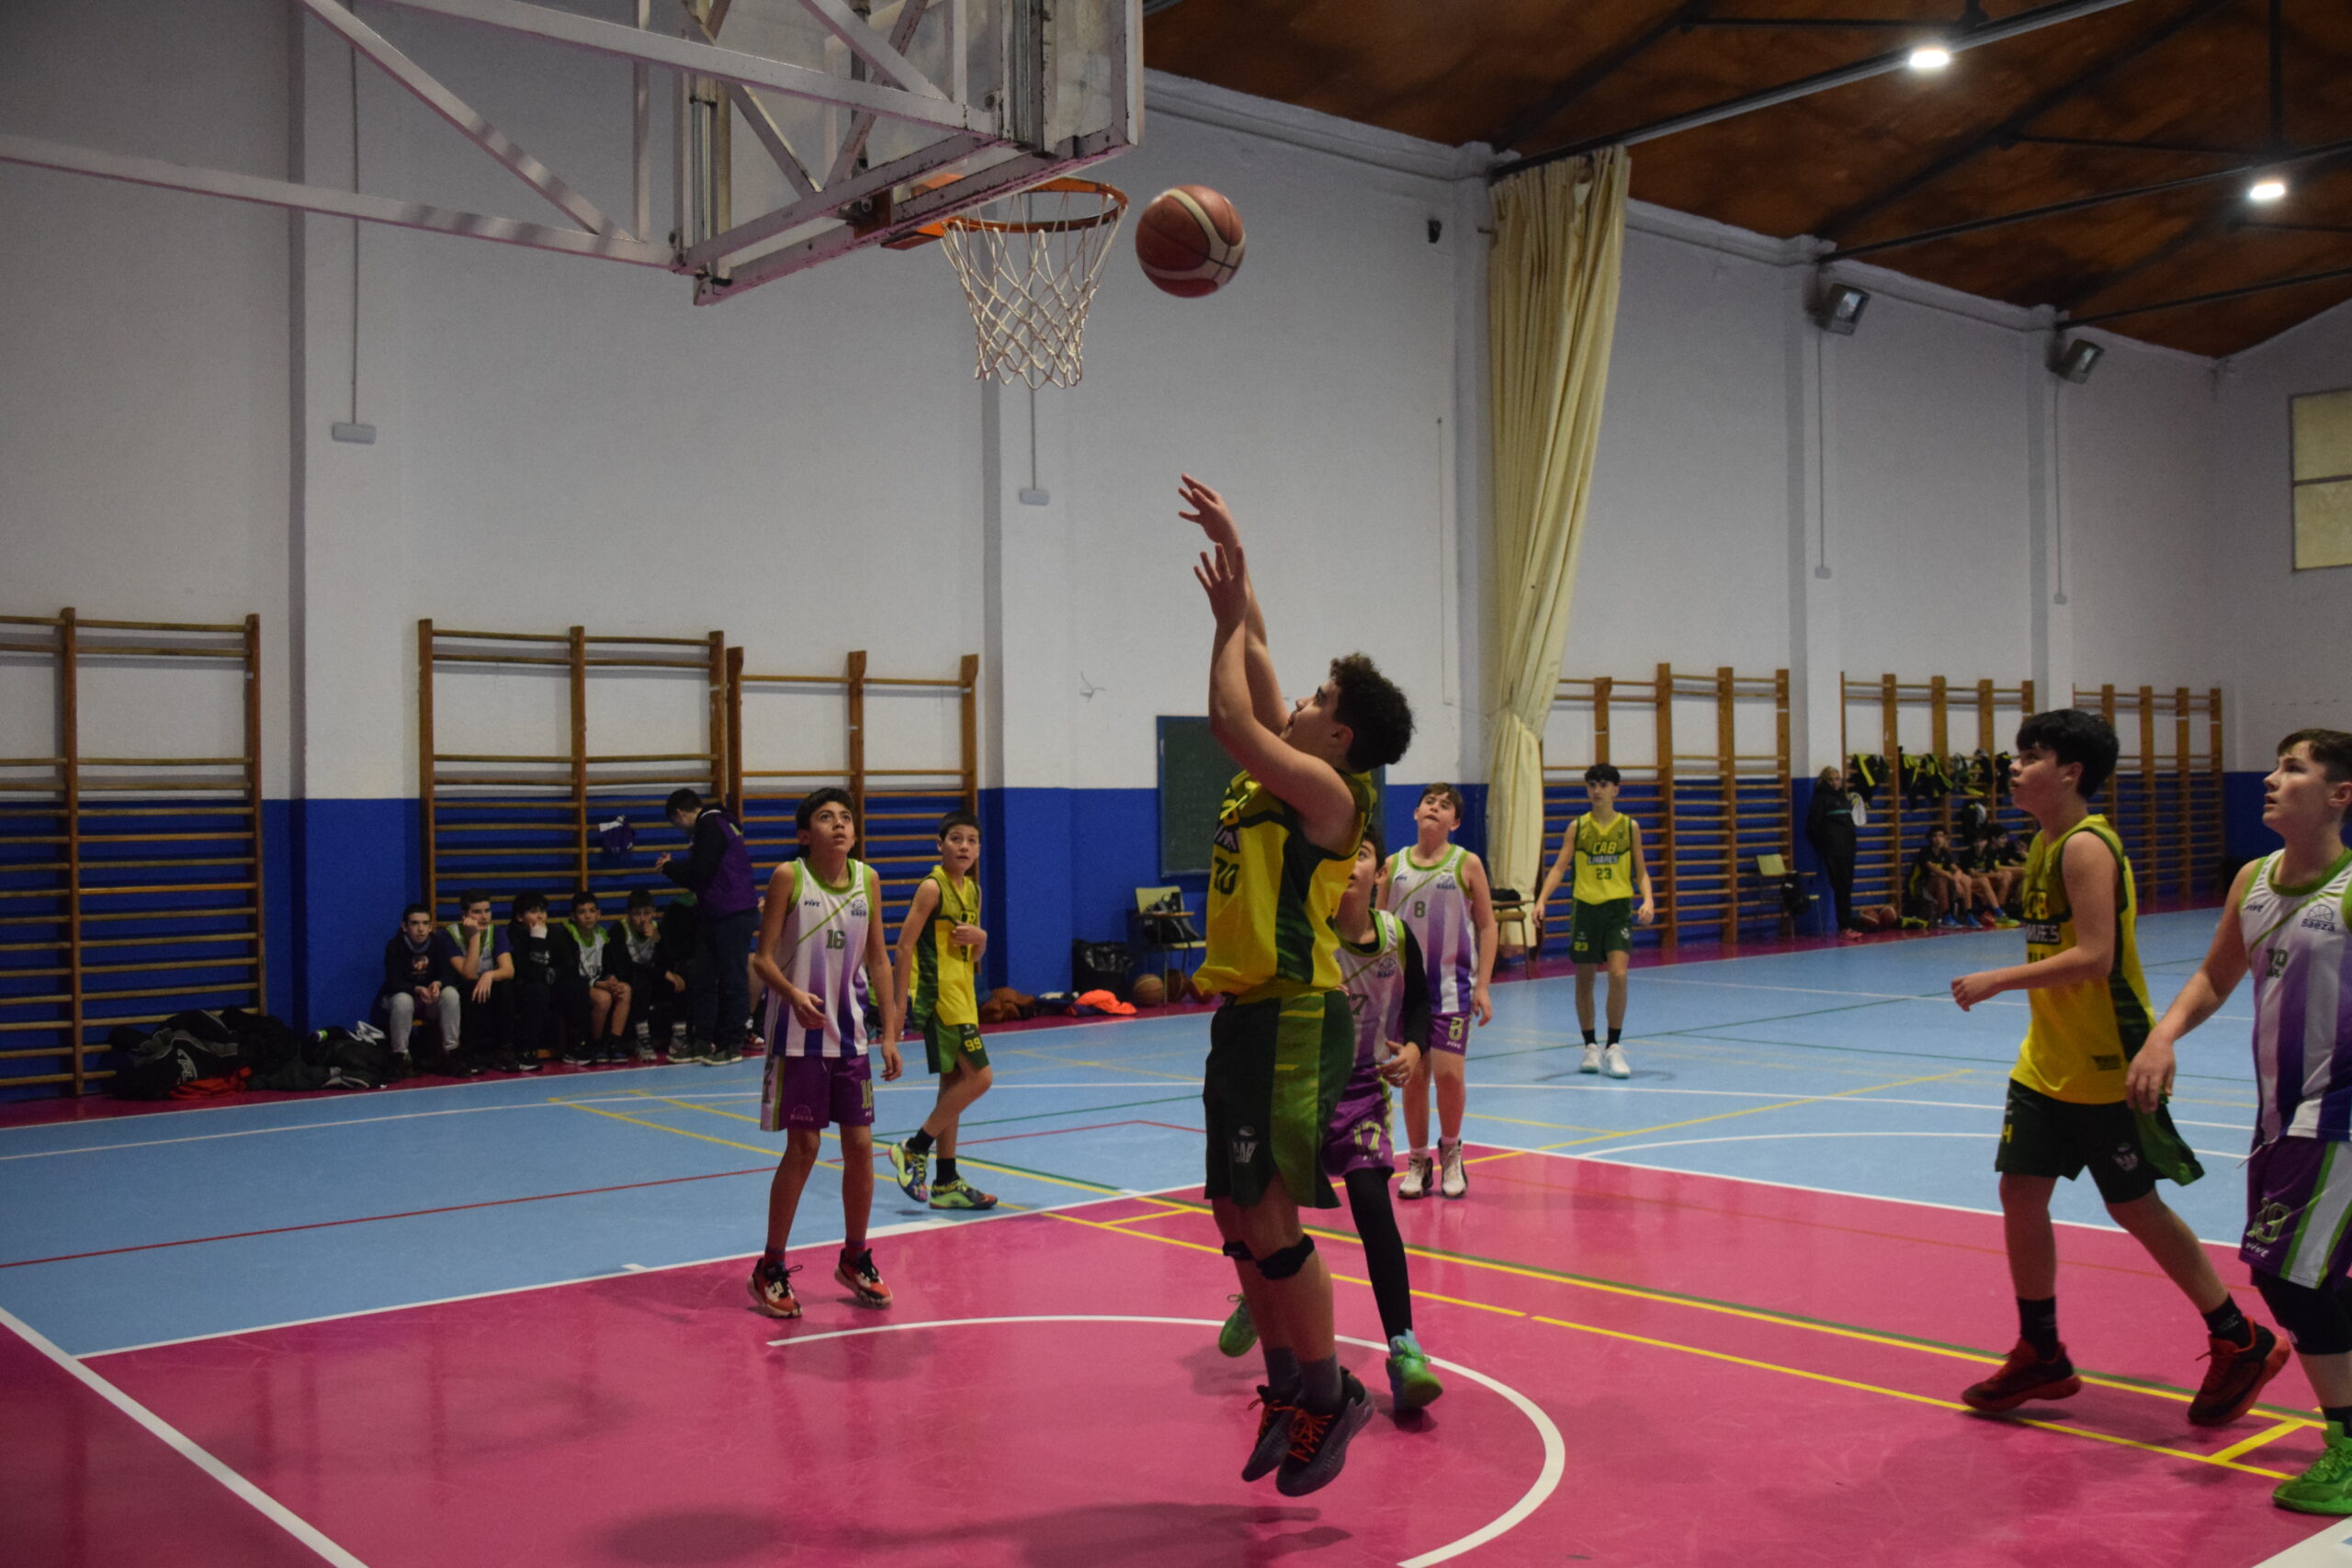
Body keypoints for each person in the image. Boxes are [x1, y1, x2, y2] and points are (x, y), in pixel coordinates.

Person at [1951, 709, 2286, 1426]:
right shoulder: (2041, 845)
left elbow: (2097, 956)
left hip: (2107, 1059)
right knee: (2021, 1192)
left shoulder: (2085, 847)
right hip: (2048, 1062)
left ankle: (2240, 1337)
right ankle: (2041, 1350)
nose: (2015, 766)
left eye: (2030, 755)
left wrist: (1997, 979)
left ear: (2070, 772)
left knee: (2134, 1206)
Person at [1182, 473, 1414, 1496]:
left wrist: (1228, 622)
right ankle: (1284, 1385)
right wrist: (1241, 560)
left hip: (1292, 1013)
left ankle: (1330, 1394)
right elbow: (1263, 667)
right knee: (1234, 1215)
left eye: (1318, 702)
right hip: (1243, 1013)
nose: (1302, 703)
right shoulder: (1299, 757)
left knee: (1272, 1217)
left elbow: (1232, 713)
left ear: (1340, 737)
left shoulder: (1325, 792)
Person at [2126, 729, 2352, 1511]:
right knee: (2307, 1274)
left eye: (2295, 769)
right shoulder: (2254, 880)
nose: (2272, 777)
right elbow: (2216, 974)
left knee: (2287, 1274)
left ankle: (2349, 1443)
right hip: (2278, 1118)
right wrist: (2162, 1035)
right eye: (2276, 763)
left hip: (2339, 1116)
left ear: (2339, 797)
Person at [1226, 827, 1443, 1416]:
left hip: (1362, 1094)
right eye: (1339, 857)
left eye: (1362, 855)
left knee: (1374, 1209)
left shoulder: (1397, 938)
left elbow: (1423, 1002)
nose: (1349, 865)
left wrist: (1417, 1049)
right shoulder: (1304, 937)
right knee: (1273, 1214)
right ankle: (1261, 1293)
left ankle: (1404, 1348)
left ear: (1380, 872)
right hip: (1297, 1087)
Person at [745, 786, 903, 1319]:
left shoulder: (869, 880)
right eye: (825, 817)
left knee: (860, 1145)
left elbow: (879, 960)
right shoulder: (790, 876)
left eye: (845, 818)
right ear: (803, 834)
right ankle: (769, 1265)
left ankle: (855, 1256)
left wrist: (890, 1032)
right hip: (797, 1035)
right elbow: (762, 960)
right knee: (806, 1148)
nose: (839, 824)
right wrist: (792, 994)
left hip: (851, 1035)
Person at [1381, 783, 1496, 1201]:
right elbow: (1377, 927)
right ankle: (1416, 1160)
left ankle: (1451, 1151)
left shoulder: (1467, 864)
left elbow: (1486, 924)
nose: (1435, 808)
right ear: (1415, 813)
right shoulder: (1392, 866)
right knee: (1414, 1079)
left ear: (1456, 822)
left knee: (1448, 1076)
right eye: (1429, 802)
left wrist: (1482, 985)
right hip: (1404, 994)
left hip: (1451, 989)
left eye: (1445, 805)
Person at [888, 811, 998, 1212]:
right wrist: (900, 1006)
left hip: (963, 994)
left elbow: (973, 954)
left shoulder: (973, 890)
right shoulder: (932, 888)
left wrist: (982, 937)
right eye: (956, 839)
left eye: (972, 840)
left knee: (953, 1087)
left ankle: (946, 1181)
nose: (964, 846)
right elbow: (902, 947)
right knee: (981, 1078)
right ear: (940, 845)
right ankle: (912, 1147)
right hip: (937, 997)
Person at [1533, 763, 1656, 1078]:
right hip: (1586, 909)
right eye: (1592, 785)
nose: (1597, 790)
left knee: (1618, 974)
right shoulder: (1578, 827)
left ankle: (1613, 1046)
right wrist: (1542, 899)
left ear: (1616, 789)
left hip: (1617, 909)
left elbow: (1640, 870)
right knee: (1584, 979)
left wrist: (1648, 899)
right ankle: (1590, 1046)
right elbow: (1560, 867)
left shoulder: (1630, 828)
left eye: (1603, 784)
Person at [659, 788, 759, 1066]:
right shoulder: (716, 825)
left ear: (680, 813)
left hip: (733, 913)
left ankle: (732, 1043)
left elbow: (699, 874)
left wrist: (669, 868)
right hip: (714, 914)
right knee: (703, 979)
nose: (679, 829)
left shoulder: (711, 825)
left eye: (675, 823)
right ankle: (702, 1042)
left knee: (732, 978)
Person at [379, 903, 461, 1070]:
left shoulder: (438, 944)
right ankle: (400, 1056)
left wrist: (438, 984)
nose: (421, 929)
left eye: (425, 923)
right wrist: (417, 989)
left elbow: (449, 975)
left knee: (451, 994)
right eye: (415, 923)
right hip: (406, 1000)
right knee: (402, 1000)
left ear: (431, 926)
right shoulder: (394, 946)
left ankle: (452, 1053)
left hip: (431, 1001)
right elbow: (394, 982)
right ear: (404, 926)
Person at [553, 890, 630, 1066]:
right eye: (582, 912)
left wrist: (611, 978)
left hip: (597, 982)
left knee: (624, 990)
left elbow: (611, 965)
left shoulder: (603, 936)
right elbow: (568, 971)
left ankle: (614, 1042)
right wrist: (597, 983)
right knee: (603, 998)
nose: (587, 916)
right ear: (573, 916)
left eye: (591, 911)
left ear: (598, 914)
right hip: (574, 986)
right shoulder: (566, 936)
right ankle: (595, 1043)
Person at [616, 889, 694, 1063]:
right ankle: (643, 1038)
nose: (643, 919)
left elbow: (668, 960)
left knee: (680, 981)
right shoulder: (620, 930)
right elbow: (626, 967)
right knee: (641, 983)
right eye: (637, 914)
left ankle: (679, 1036)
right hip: (631, 980)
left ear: (654, 912)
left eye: (647, 913)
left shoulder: (658, 930)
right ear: (628, 914)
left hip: (654, 979)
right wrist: (662, 973)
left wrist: (658, 942)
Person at [447, 889, 513, 1075]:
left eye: (487, 910)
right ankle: (471, 1053)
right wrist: (474, 937)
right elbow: (468, 973)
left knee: (506, 987)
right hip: (465, 990)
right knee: (469, 988)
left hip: (488, 986)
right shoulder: (449, 935)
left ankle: (504, 1051)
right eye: (477, 912)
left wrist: (489, 975)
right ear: (464, 915)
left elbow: (508, 969)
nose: (484, 917)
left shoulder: (497, 932)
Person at [1806, 763, 1861, 936]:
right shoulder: (1821, 800)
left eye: (1837, 779)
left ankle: (1848, 925)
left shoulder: (1843, 798)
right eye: (1830, 779)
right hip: (1833, 850)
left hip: (1848, 849)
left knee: (1847, 887)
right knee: (1841, 888)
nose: (1834, 783)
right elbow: (1812, 827)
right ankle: (1844, 926)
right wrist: (1824, 847)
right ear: (1824, 781)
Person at [504, 892, 555, 1072]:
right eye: (533, 912)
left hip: (547, 984)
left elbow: (564, 964)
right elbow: (530, 972)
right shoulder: (512, 936)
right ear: (519, 916)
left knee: (576, 987)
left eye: (543, 911)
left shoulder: (553, 932)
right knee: (537, 991)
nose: (540, 916)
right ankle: (525, 1049)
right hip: (521, 987)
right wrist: (538, 940)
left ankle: (581, 1045)